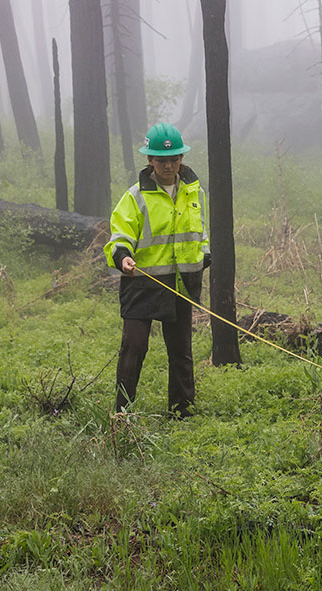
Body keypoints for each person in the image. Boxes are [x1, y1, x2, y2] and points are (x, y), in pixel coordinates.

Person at [105, 122, 209, 418]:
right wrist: (122, 257)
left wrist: (205, 254)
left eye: (174, 158)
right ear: (149, 160)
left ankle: (181, 411)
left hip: (181, 284)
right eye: (161, 159)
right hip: (142, 283)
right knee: (133, 349)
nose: (168, 165)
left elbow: (200, 232)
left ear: (181, 159)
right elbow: (120, 235)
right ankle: (122, 413)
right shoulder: (135, 197)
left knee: (181, 352)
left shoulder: (193, 192)